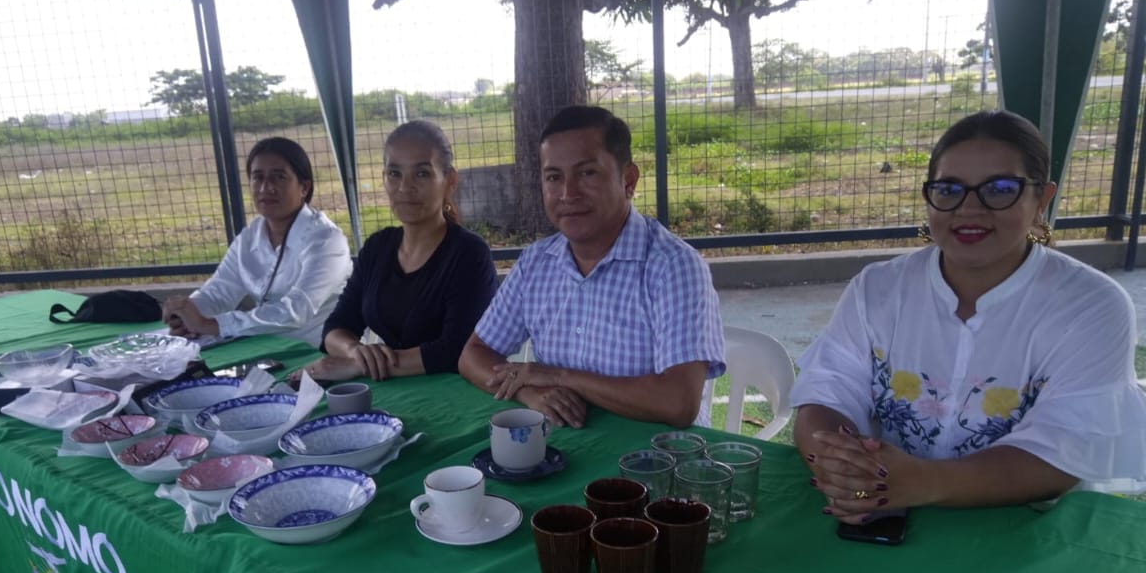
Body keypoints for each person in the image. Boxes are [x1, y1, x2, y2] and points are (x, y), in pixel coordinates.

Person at [791, 109, 1146, 523]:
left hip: (1030, 527)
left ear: (1042, 200)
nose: (970, 208)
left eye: (1000, 188)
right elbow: (826, 395)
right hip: (889, 514)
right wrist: (840, 465)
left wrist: (916, 483)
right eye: (949, 189)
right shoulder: (877, 289)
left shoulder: (1091, 305)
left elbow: (1062, 453)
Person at [459, 105, 725, 428]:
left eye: (587, 173)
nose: (568, 194)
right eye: (554, 177)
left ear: (628, 180)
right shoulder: (536, 264)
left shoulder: (674, 267)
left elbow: (678, 403)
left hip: (658, 453)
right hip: (567, 445)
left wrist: (557, 376)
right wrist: (528, 391)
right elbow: (473, 355)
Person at [292, 120, 497, 382]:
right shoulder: (377, 247)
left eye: (422, 173)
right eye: (394, 173)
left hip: (456, 391)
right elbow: (336, 328)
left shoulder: (469, 253)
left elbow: (457, 349)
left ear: (450, 180)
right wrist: (356, 352)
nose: (404, 187)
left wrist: (363, 366)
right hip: (391, 390)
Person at [163, 137, 351, 346]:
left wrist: (210, 324)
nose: (265, 188)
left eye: (279, 177)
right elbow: (219, 293)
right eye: (257, 177)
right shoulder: (250, 237)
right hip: (266, 349)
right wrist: (186, 313)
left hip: (319, 352)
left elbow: (296, 311)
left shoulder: (326, 241)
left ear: (304, 188)